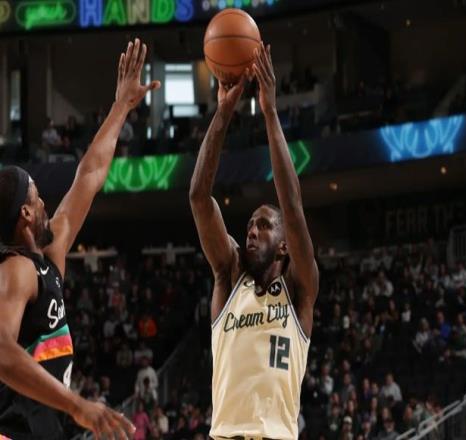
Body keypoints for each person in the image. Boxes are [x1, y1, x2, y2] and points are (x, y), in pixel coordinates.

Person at [0, 38, 160, 439]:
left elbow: (89, 174)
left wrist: (121, 106)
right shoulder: (16, 270)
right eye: (37, 197)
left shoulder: (48, 256)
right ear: (24, 214)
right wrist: (78, 405)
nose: (45, 203)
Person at [190, 42, 319, 439]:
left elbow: (292, 207)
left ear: (284, 245)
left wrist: (270, 112)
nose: (251, 231)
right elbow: (199, 197)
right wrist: (223, 113)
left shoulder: (299, 290)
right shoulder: (229, 276)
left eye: (264, 226)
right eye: (249, 225)